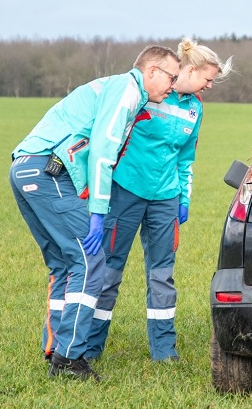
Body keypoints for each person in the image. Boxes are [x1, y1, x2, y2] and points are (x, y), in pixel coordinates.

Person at [9, 45, 181, 380]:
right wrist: (98, 213)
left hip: (25, 169)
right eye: (171, 77)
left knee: (63, 264)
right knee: (91, 263)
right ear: (151, 71)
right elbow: (103, 150)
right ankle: (71, 360)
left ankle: (56, 351)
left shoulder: (116, 87)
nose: (173, 86)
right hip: (48, 172)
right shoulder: (127, 90)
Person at [84, 38, 232, 362]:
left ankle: (164, 351)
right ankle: (89, 348)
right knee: (109, 272)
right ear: (189, 69)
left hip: (166, 198)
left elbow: (185, 158)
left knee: (162, 275)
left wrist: (184, 198)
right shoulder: (147, 94)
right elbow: (112, 135)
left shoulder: (196, 108)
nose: (209, 86)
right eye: (207, 78)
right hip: (125, 191)